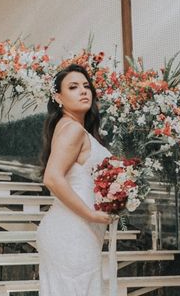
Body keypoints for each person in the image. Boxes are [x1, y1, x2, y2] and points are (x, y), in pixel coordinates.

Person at [36, 64, 113, 295]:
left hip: (74, 230)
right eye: (73, 87)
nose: (83, 91)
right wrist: (91, 215)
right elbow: (52, 178)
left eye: (86, 86)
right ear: (58, 97)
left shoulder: (69, 127)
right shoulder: (73, 130)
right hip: (73, 231)